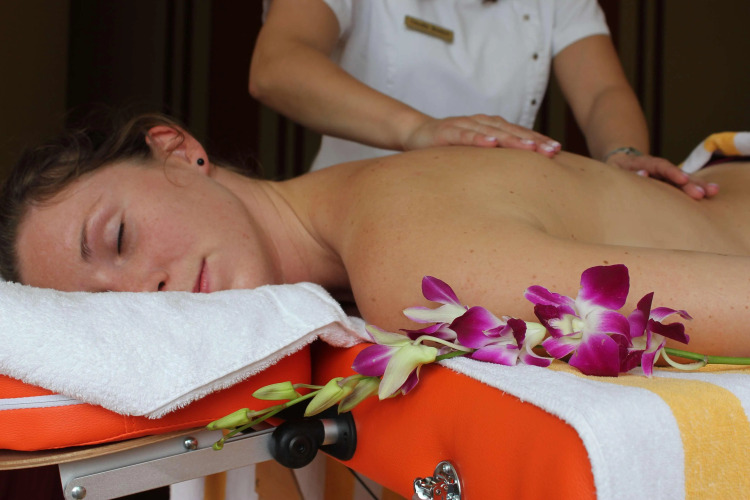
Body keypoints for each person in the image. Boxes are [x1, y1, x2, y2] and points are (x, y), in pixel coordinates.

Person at [1, 113, 749, 361]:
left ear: (178, 151)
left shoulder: (402, 264)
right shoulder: (363, 218)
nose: (145, 291)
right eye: (108, 308)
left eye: (119, 237)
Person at [250, 0, 717, 199]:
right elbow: (277, 65)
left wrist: (623, 155)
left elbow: (601, 92)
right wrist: (418, 129)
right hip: (347, 212)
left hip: (485, 217)